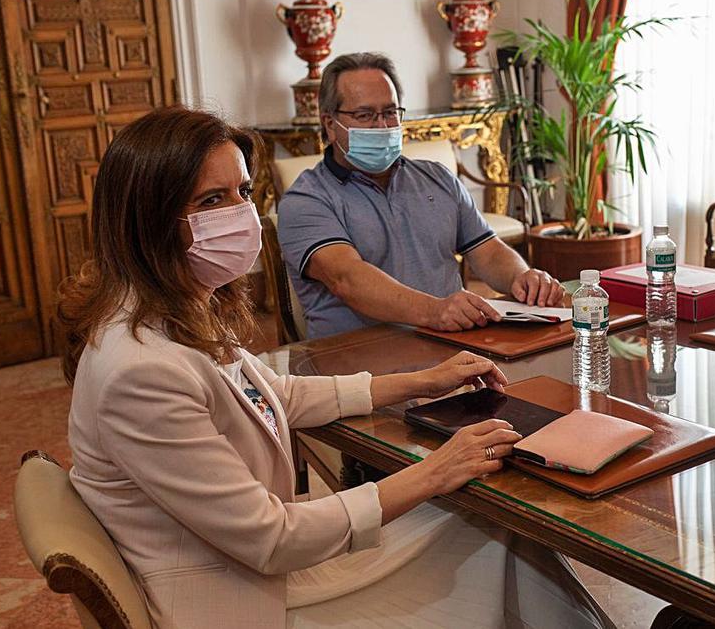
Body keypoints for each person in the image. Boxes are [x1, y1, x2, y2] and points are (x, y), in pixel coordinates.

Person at [58, 106, 610, 628]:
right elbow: (272, 538)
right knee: (493, 529)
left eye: (245, 193)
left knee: (499, 528)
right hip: (246, 599)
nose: (240, 214)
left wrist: (421, 381)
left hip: (252, 567)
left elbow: (273, 394)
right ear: (149, 221)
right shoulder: (141, 371)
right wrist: (436, 470)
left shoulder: (169, 311)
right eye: (212, 200)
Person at [277, 52, 566, 340]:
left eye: (390, 112)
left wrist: (522, 278)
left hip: (450, 348)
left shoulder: (436, 178)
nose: (382, 126)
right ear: (329, 123)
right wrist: (436, 311)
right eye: (365, 115)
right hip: (356, 369)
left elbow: (487, 251)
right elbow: (347, 279)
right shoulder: (306, 200)